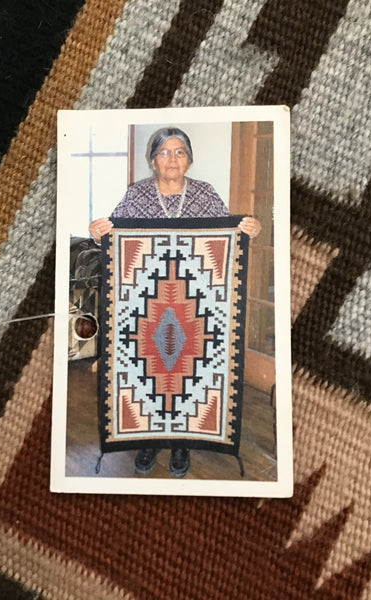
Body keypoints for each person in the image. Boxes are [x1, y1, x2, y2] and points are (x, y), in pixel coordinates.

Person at [89, 127, 261, 477]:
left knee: (189, 371)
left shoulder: (204, 194)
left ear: (189, 159)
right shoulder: (137, 194)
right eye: (164, 152)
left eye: (179, 151)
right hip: (146, 306)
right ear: (153, 160)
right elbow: (115, 238)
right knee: (147, 370)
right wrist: (99, 232)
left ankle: (182, 442)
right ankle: (149, 438)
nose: (172, 159)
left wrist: (248, 231)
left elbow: (226, 242)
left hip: (195, 306)